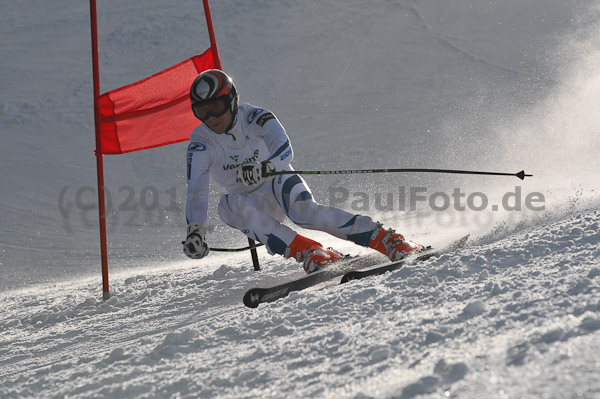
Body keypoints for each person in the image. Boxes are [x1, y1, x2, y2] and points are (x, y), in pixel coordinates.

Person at [183, 69, 424, 273]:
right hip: (251, 204)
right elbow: (197, 190)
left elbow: (285, 149)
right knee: (226, 206)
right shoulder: (201, 143)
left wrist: (265, 168)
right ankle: (312, 252)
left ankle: (390, 240)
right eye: (202, 111)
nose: (211, 117)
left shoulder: (254, 117)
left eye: (216, 107)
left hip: (277, 181)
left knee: (306, 214)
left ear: (232, 101)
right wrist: (195, 231)